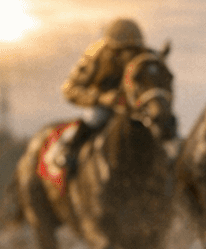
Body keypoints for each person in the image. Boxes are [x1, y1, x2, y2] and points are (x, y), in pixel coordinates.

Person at [53, 18, 152, 178]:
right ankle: (69, 153)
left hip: (134, 107)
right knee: (95, 117)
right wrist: (100, 98)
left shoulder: (145, 57)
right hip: (102, 106)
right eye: (123, 51)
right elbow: (70, 89)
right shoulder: (95, 56)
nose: (129, 57)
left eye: (133, 51)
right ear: (112, 49)